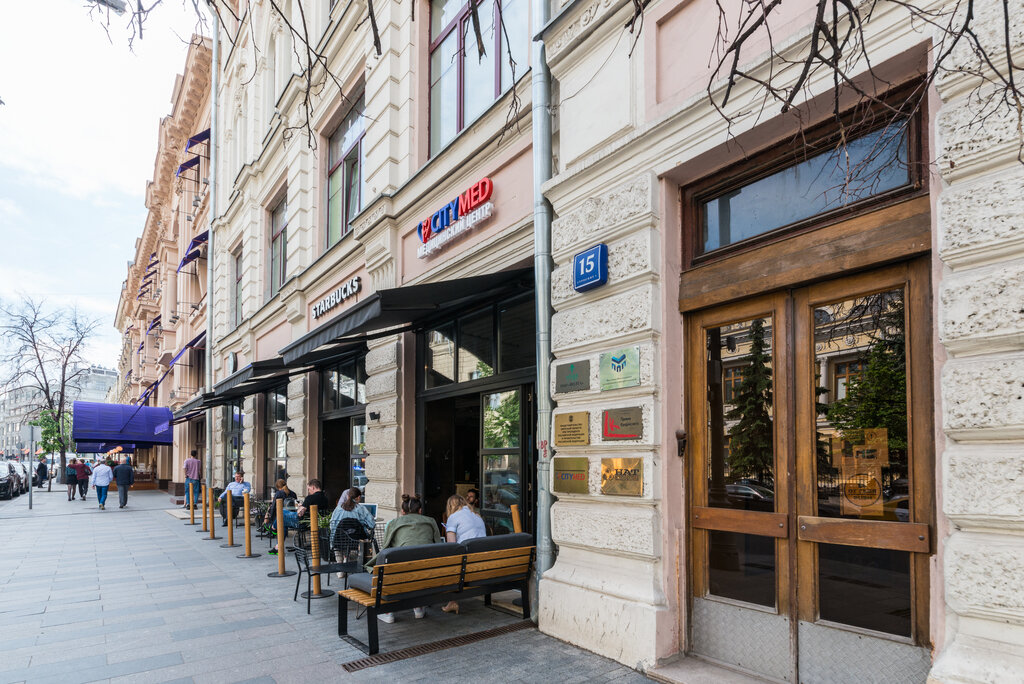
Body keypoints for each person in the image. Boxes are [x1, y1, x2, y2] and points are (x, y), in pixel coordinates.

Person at [368, 494, 442, 623]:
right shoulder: (431, 521)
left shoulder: (393, 523)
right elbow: (438, 545)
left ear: (402, 511)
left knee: (388, 567)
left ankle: (388, 612)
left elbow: (386, 548)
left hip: (401, 570)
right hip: (427, 570)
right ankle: (418, 607)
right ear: (420, 510)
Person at [440, 494, 486, 614]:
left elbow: (452, 546)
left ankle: (452, 601)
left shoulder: (453, 517)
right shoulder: (477, 515)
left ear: (450, 506)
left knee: (447, 563)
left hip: (467, 563)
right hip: (483, 561)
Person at [329, 487, 376, 555]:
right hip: (357, 545)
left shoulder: (338, 509)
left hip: (338, 543)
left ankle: (341, 558)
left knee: (339, 555)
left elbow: (332, 525)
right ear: (359, 497)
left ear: (348, 496)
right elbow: (372, 524)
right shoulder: (361, 509)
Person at [264, 479, 298, 554]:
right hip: (292, 517)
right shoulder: (293, 494)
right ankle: (278, 547)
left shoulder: (278, 493)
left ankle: (273, 527)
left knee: (280, 522)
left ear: (277, 487)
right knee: (283, 524)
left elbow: (273, 507)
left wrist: (270, 517)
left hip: (281, 516)